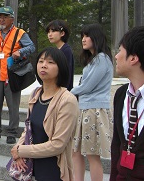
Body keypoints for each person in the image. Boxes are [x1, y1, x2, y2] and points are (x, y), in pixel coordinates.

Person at [10, 47, 79, 181]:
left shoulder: (67, 100)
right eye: (41, 61)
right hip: (30, 165)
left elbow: (57, 145)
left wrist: (21, 150)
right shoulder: (36, 93)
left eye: (51, 62)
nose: (44, 65)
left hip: (53, 168)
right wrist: (18, 150)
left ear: (61, 68)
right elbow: (28, 128)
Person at [0, 6, 35, 144]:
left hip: (12, 75)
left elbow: (32, 47)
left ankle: (12, 132)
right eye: (0, 17)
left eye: (5, 17)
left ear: (12, 19)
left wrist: (21, 52)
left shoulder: (20, 33)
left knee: (13, 105)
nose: (2, 19)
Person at [71, 24, 113, 181]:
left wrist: (67, 93)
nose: (83, 39)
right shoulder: (95, 59)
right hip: (85, 109)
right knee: (76, 152)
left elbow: (88, 86)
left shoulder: (102, 59)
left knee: (92, 155)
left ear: (96, 38)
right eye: (82, 35)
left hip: (94, 110)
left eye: (87, 35)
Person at [110, 26, 144, 180]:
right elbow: (116, 146)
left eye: (120, 51)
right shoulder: (121, 94)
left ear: (133, 58)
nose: (116, 56)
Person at [45, 20, 74, 90]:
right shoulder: (58, 50)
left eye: (53, 31)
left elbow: (66, 75)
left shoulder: (66, 50)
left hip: (62, 92)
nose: (50, 34)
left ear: (62, 33)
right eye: (48, 32)